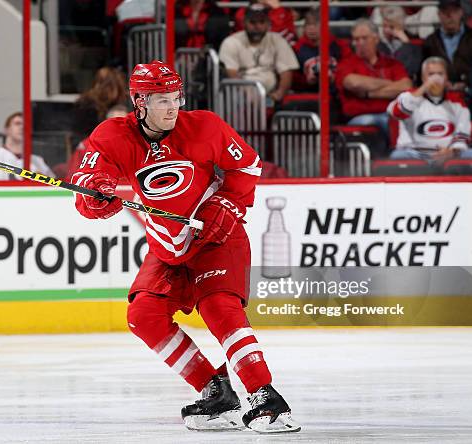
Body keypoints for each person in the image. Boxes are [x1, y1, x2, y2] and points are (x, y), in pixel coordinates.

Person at [70, 60, 301, 434]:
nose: (172, 106)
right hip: (167, 245)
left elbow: (248, 166)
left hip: (215, 237)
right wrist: (98, 196)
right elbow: (87, 183)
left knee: (218, 307)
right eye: (162, 100)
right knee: (142, 315)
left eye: (176, 97)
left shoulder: (205, 126)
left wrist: (226, 204)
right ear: (139, 102)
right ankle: (217, 392)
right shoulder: (113, 135)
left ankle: (265, 395)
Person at [388, 56, 472, 161]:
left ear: (446, 77)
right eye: (431, 74)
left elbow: (463, 133)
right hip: (415, 153)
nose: (436, 79)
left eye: (440, 74)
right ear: (423, 78)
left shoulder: (457, 102)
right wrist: (424, 88)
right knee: (397, 156)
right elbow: (396, 113)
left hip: (448, 153)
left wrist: (452, 151)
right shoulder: (409, 97)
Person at [335, 19, 412, 136]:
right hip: (360, 117)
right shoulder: (346, 63)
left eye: (364, 38)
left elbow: (406, 87)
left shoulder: (392, 63)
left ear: (376, 39)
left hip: (391, 114)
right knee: (381, 122)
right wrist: (392, 84)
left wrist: (368, 94)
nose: (359, 43)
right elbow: (353, 83)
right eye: (356, 39)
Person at [219, 4, 299, 105]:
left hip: (270, 94)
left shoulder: (277, 40)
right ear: (244, 23)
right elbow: (231, 73)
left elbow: (286, 71)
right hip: (240, 94)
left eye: (262, 22)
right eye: (252, 22)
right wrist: (247, 93)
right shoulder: (231, 41)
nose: (257, 26)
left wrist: (280, 93)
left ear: (268, 23)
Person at [422, 0, 472, 91]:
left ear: (461, 12)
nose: (449, 16)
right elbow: (424, 71)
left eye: (454, 11)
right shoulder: (430, 41)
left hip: (471, 92)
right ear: (439, 15)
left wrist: (467, 83)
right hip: (440, 92)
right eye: (445, 12)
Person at [0, 112, 54, 181]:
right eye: (17, 123)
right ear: (6, 130)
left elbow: (53, 184)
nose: (22, 127)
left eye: (25, 125)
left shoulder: (37, 160)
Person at [293, 8, 352, 92]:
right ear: (304, 27)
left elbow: (349, 65)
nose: (311, 29)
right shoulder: (297, 48)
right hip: (308, 92)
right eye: (308, 25)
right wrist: (306, 81)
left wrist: (336, 76)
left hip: (335, 91)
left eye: (316, 24)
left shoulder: (338, 44)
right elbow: (293, 76)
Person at [377, 6, 423, 84]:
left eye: (392, 27)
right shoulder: (378, 45)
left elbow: (411, 68)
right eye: (384, 26)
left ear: (401, 26)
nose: (387, 30)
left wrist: (406, 43)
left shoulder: (412, 45)